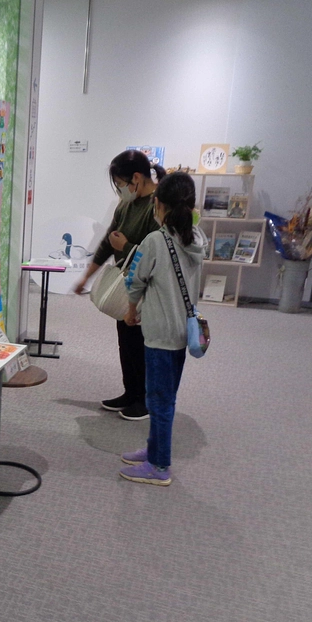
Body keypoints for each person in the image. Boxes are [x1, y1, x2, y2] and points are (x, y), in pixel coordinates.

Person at [119, 171, 207, 486]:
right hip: (183, 332)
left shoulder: (155, 240)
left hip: (158, 333)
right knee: (165, 396)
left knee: (159, 400)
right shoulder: (198, 238)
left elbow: (135, 280)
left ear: (158, 203)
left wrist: (131, 311)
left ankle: (159, 466)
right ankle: (154, 448)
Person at [73, 150, 166, 421]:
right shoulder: (126, 205)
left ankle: (145, 400)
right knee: (126, 340)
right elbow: (107, 242)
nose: (120, 190)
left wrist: (124, 246)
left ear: (136, 177)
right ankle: (130, 392)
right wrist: (86, 276)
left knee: (142, 342)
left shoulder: (158, 206)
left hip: (149, 288)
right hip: (126, 284)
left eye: (120, 183)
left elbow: (160, 254)